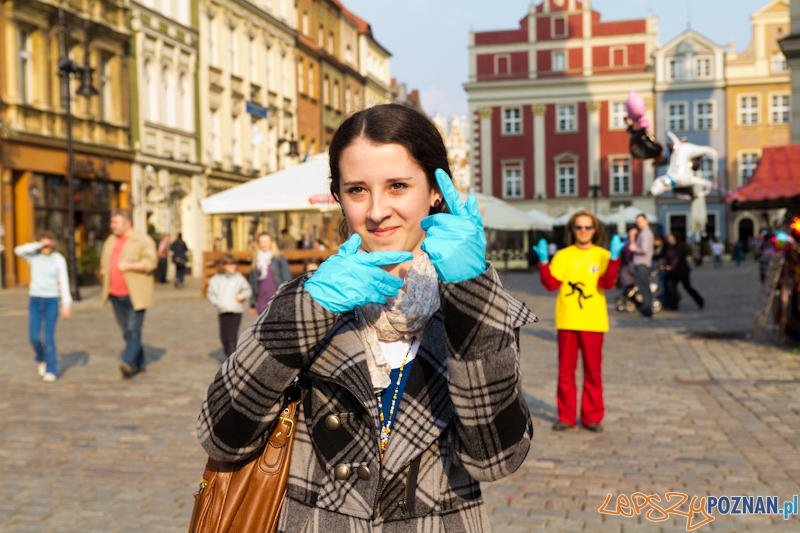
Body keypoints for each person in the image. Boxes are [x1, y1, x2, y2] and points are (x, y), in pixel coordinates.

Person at [197, 104, 536, 532]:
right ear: (338, 197)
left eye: (397, 186)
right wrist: (310, 309)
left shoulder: (476, 304)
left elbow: (495, 457)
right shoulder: (307, 299)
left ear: (435, 190)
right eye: (357, 190)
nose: (377, 211)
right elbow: (221, 434)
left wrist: (469, 296)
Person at [534, 211, 623, 432]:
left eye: (588, 227)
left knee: (593, 371)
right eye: (579, 227)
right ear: (572, 229)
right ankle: (566, 416)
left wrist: (614, 260)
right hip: (568, 320)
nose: (583, 231)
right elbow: (551, 285)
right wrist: (544, 262)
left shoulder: (602, 255)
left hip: (593, 321)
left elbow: (607, 283)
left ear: (595, 230)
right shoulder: (563, 256)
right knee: (566, 371)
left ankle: (592, 416)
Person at [101, 208, 157, 378]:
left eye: (115, 223)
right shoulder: (111, 240)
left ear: (128, 223)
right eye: (112, 223)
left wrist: (129, 266)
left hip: (135, 294)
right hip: (115, 294)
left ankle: (127, 361)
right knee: (127, 330)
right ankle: (138, 362)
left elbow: (151, 262)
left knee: (133, 329)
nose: (112, 226)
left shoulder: (142, 240)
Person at [14, 231, 72, 382]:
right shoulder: (33, 257)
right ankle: (42, 358)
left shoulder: (58, 259)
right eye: (43, 242)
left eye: (49, 242)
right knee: (33, 337)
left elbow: (64, 281)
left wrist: (66, 304)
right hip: (35, 300)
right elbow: (18, 250)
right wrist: (39, 244)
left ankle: (51, 369)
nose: (47, 245)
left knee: (48, 337)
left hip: (52, 300)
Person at [207, 254, 252, 358]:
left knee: (232, 337)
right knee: (224, 337)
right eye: (228, 265)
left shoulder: (239, 278)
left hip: (236, 310)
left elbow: (247, 290)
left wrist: (243, 295)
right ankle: (230, 356)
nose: (231, 267)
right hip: (222, 310)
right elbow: (211, 293)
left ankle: (232, 361)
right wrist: (216, 302)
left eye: (233, 265)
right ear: (223, 265)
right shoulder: (216, 279)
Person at [248, 232, 291, 316]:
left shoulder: (279, 258)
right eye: (261, 242)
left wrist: (287, 298)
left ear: (271, 242)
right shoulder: (255, 259)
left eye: (266, 241)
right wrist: (252, 303)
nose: (264, 244)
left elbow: (287, 278)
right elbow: (253, 283)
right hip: (261, 300)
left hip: (277, 298)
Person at [664, 233, 704, 310]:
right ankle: (673, 305)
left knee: (687, 287)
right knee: (672, 288)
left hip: (682, 271)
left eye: (670, 236)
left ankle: (700, 301)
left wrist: (672, 266)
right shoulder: (669, 247)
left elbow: (677, 258)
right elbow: (666, 258)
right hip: (673, 272)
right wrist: (664, 265)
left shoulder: (680, 246)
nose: (668, 238)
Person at [629, 213, 654, 318]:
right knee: (643, 288)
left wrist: (635, 249)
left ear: (646, 220)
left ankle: (647, 311)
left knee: (644, 288)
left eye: (640, 221)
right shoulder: (643, 233)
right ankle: (646, 309)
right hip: (641, 264)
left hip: (642, 264)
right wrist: (632, 238)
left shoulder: (645, 234)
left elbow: (644, 249)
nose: (638, 223)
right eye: (637, 221)